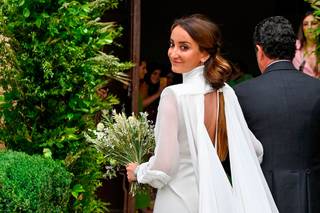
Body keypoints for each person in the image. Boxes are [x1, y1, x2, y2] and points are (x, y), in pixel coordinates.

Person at [126, 14, 278, 213]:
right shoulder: (225, 92)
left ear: (205, 54)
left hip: (177, 200)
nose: (173, 53)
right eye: (172, 44)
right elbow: (255, 149)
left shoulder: (173, 95)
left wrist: (138, 171)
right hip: (218, 200)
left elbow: (164, 166)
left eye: (184, 47)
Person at [234, 16, 320, 213]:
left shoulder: (242, 93)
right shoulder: (317, 88)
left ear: (260, 51)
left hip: (259, 195)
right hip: (312, 194)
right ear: (292, 49)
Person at [292, 11, 319, 78]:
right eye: (305, 24)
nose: (309, 27)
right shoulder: (294, 46)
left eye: (314, 23)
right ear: (302, 28)